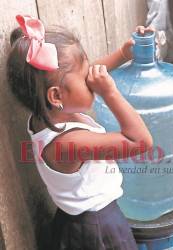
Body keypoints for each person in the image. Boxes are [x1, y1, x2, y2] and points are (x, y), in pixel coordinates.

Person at [6, 14, 153, 250]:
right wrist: (110, 93)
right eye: (86, 77)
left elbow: (86, 71)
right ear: (56, 96)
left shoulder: (45, 116)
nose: (94, 79)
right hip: (99, 229)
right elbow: (140, 142)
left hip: (74, 222)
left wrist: (122, 54)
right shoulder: (70, 143)